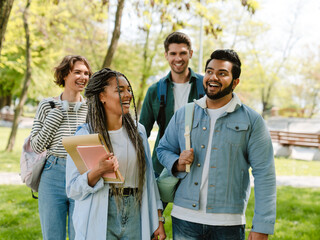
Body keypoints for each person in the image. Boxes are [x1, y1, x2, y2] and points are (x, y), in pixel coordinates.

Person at [157, 49, 276, 240]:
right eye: (209, 71)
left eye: (222, 73)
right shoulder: (184, 113)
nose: (213, 77)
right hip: (184, 219)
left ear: (235, 82)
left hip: (228, 224)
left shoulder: (252, 121)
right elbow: (162, 149)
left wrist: (262, 226)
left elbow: (265, 174)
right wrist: (176, 162)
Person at [66, 68, 166, 240]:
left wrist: (158, 219)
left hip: (135, 210)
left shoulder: (138, 131)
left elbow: (149, 180)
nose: (128, 95)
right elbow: (73, 189)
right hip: (101, 211)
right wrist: (97, 171)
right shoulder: (85, 135)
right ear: (101, 97)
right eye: (120, 90)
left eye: (128, 89)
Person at [30, 55, 92, 240]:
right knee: (52, 235)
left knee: (79, 234)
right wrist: (55, 117)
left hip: (81, 173)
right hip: (53, 172)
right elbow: (36, 146)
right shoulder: (47, 105)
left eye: (86, 73)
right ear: (65, 74)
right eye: (78, 72)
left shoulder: (92, 107)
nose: (83, 77)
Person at [140, 31, 205, 176]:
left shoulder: (206, 86)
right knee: (156, 200)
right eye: (173, 53)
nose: (178, 58)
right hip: (162, 164)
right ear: (166, 55)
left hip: (197, 163)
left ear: (191, 54)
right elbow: (142, 132)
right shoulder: (154, 90)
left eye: (182, 53)